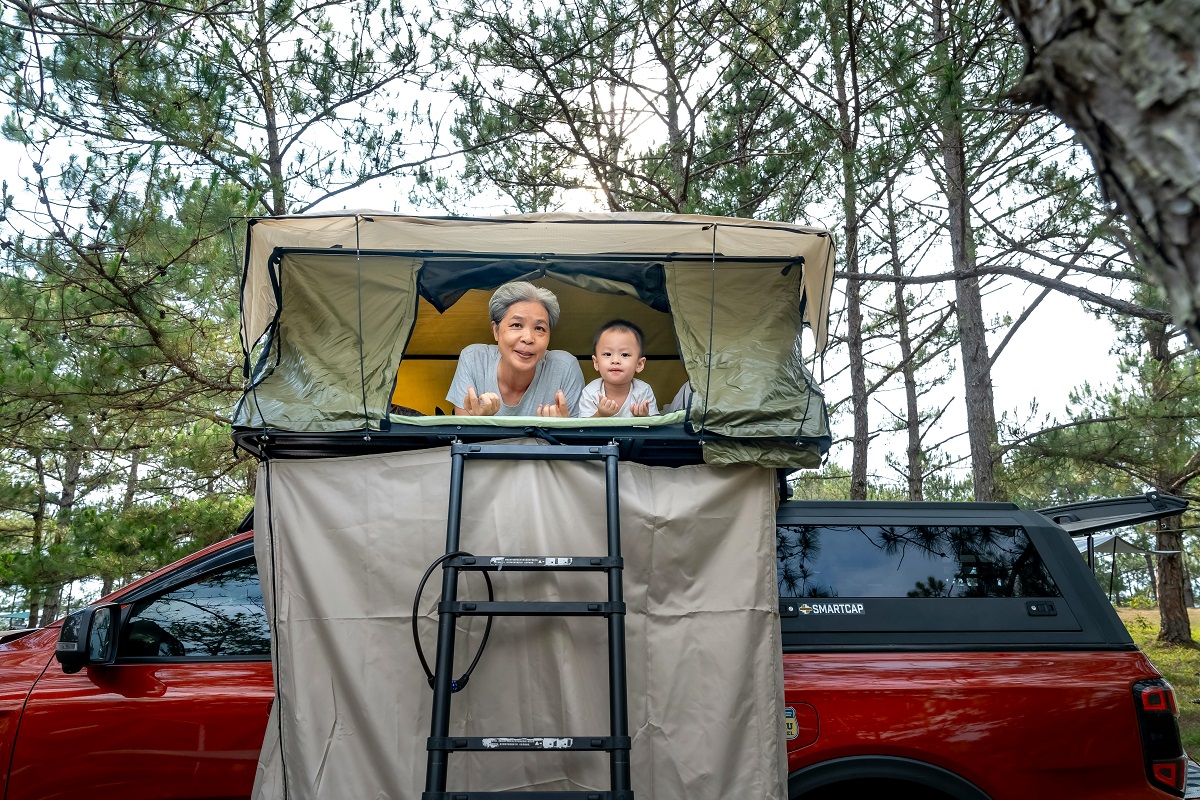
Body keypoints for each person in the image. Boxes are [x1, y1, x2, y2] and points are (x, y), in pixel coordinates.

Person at [447, 281, 584, 417]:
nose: (528, 338)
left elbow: (579, 437)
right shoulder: (474, 359)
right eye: (517, 325)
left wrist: (563, 431)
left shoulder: (565, 367)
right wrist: (480, 423)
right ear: (496, 330)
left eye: (539, 328)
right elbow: (461, 434)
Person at [578, 320, 659, 418]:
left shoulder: (643, 391)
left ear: (639, 364)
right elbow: (583, 429)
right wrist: (600, 415)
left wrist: (644, 417)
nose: (615, 361)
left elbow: (656, 426)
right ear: (596, 363)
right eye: (607, 354)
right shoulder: (591, 392)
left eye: (625, 355)